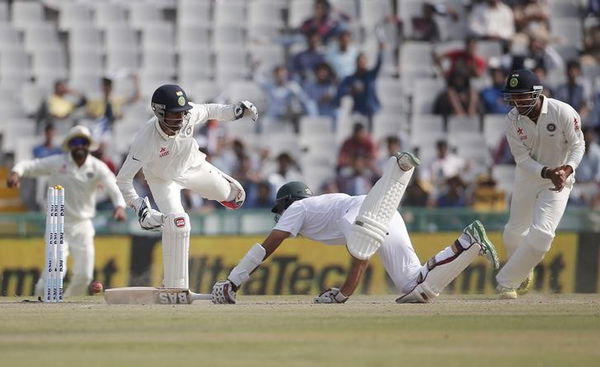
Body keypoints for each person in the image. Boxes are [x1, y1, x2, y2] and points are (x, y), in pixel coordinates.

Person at [210, 152, 498, 304]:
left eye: (281, 208)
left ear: (289, 202)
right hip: (385, 213)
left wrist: (233, 281)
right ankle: (467, 242)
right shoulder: (318, 206)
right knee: (414, 286)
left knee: (360, 245)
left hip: (362, 210)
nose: (281, 215)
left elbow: (267, 246)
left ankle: (396, 167)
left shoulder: (297, 208)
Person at [115, 84, 258, 290]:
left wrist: (235, 112)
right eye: (174, 115)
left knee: (236, 197)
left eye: (182, 114)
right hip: (162, 180)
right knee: (178, 224)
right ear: (160, 113)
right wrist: (139, 207)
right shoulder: (145, 140)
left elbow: (210, 110)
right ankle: (174, 287)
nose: (181, 119)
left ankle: (222, 189)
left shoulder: (188, 116)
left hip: (193, 166)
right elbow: (123, 179)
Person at [495, 69, 585, 299]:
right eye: (513, 97)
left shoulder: (562, 111)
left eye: (522, 96)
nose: (516, 101)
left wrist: (566, 169)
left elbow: (578, 145)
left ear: (537, 94)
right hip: (529, 176)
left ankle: (507, 283)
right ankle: (525, 272)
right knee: (514, 233)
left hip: (560, 179)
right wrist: (546, 171)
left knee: (543, 234)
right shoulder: (512, 119)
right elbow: (522, 159)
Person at [6, 125, 127, 296]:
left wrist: (119, 206)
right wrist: (16, 172)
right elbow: (30, 165)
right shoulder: (57, 162)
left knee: (84, 276)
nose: (79, 145)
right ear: (69, 145)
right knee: (54, 273)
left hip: (83, 225)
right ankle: (40, 298)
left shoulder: (97, 166)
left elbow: (113, 186)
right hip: (58, 224)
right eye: (75, 142)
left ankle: (68, 305)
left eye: (83, 142)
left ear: (88, 145)